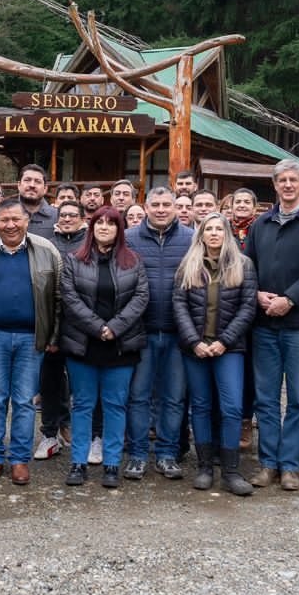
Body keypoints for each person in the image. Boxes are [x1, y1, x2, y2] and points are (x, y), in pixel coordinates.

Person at [242, 159, 299, 492]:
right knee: (266, 398)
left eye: (293, 180)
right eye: (281, 180)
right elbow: (247, 266)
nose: (287, 185)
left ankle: (290, 465)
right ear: (274, 185)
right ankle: (268, 463)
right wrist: (256, 294)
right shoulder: (261, 224)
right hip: (265, 322)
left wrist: (290, 299)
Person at [0, 199, 62, 484]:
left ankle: (19, 459)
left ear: (26, 221)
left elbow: (58, 297)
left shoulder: (46, 250)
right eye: (4, 220)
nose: (10, 225)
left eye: (16, 219)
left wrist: (54, 335)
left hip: (32, 338)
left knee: (24, 401)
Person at [59, 206, 148, 489]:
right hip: (84, 344)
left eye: (111, 223)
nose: (105, 227)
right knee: (82, 405)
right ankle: (78, 463)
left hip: (120, 345)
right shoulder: (74, 260)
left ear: (120, 229)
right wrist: (98, 327)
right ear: (92, 227)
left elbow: (141, 298)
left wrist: (115, 328)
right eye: (99, 223)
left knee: (115, 405)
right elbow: (69, 298)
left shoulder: (133, 261)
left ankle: (111, 464)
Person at [172, 214, 258, 495]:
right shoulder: (188, 265)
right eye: (208, 229)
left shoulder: (243, 265)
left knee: (231, 407)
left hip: (228, 349)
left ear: (227, 234)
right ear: (201, 235)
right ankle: (205, 467)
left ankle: (231, 471)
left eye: (219, 229)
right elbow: (179, 305)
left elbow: (247, 308)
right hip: (195, 348)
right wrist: (194, 341)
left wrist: (224, 341)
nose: (213, 233)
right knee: (201, 406)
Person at [125, 186, 194, 480]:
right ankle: (138, 454)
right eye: (156, 205)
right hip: (141, 331)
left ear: (176, 207)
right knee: (138, 396)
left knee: (174, 397)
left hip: (179, 332)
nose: (162, 209)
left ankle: (167, 454)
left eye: (167, 204)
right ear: (146, 207)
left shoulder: (191, 238)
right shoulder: (128, 238)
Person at [33, 199, 87, 461]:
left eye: (72, 215)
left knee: (82, 384)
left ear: (82, 219)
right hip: (50, 323)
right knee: (50, 382)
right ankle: (49, 433)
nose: (66, 219)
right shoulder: (46, 243)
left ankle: (85, 434)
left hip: (81, 325)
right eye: (63, 215)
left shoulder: (89, 244)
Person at [17, 164, 59, 234]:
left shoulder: (57, 216)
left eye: (37, 181)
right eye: (27, 180)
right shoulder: (5, 213)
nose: (32, 185)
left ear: (45, 188)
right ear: (19, 185)